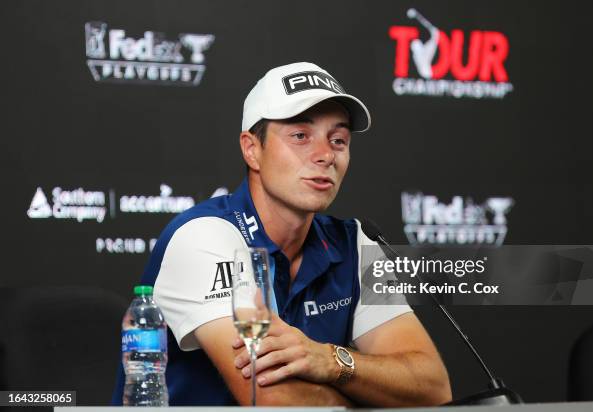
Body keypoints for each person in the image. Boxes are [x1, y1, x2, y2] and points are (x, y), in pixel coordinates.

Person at [111, 62, 451, 406]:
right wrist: (366, 395)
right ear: (251, 149)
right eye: (300, 136)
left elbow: (431, 389)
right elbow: (272, 400)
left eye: (339, 140)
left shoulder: (354, 242)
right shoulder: (204, 236)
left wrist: (332, 361)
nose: (325, 155)